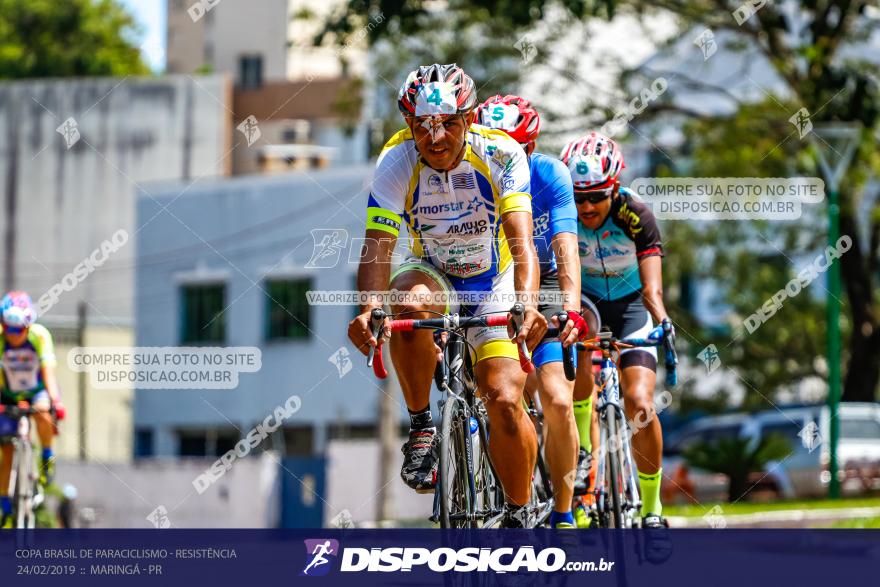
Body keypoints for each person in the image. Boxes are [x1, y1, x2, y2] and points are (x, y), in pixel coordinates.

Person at [348, 64, 547, 528]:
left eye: (448, 124)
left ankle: (519, 512)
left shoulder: (501, 153)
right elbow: (377, 245)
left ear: (471, 118)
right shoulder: (396, 160)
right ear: (408, 124)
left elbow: (521, 242)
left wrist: (528, 303)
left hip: (492, 280)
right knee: (407, 303)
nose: (435, 139)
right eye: (422, 127)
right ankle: (422, 426)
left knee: (501, 399)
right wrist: (369, 311)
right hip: (433, 272)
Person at [475, 94, 594, 529]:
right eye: (494, 147)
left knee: (560, 402)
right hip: (487, 285)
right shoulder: (468, 175)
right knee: (504, 398)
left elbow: (566, 250)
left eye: (517, 149)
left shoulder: (550, 174)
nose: (504, 158)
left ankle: (563, 512)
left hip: (539, 285)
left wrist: (570, 307)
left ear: (532, 146)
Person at [560, 133, 676, 529]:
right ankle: (584, 457)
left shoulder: (634, 213)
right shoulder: (563, 211)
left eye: (595, 196)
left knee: (640, 404)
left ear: (613, 188)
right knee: (577, 372)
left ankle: (652, 508)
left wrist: (661, 319)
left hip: (631, 307)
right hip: (586, 303)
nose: (586, 206)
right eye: (578, 196)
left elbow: (651, 288)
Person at [0, 291, 65, 525]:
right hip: (6, 393)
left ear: (27, 327)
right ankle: (4, 499)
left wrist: (55, 402)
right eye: (7, 327)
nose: (11, 334)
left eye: (17, 329)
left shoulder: (40, 337)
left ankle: (47, 453)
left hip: (35, 390)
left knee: (44, 412)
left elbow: (48, 372)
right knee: (6, 445)